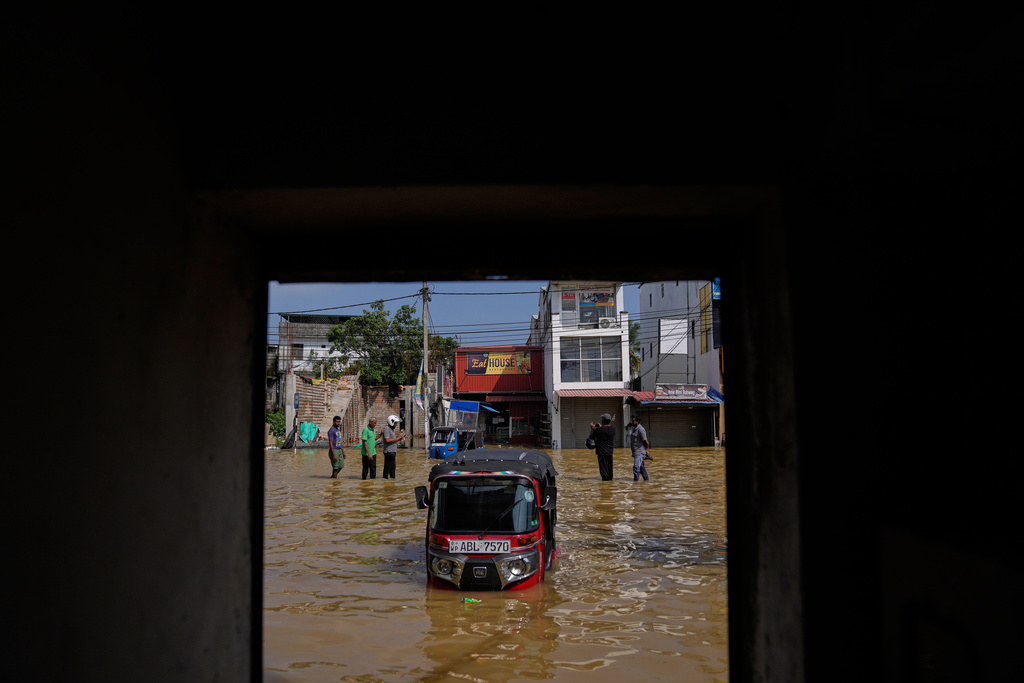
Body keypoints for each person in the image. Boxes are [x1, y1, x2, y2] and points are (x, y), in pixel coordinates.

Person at [588, 414, 616, 481]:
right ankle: (610, 483)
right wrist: (600, 427)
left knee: (603, 469)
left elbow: (591, 436)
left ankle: (605, 484)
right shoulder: (613, 429)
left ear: (603, 420)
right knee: (609, 469)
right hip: (610, 452)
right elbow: (605, 431)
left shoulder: (599, 430)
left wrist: (593, 429)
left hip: (602, 452)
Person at [381, 415, 405, 479]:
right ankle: (385, 481)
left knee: (392, 468)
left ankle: (391, 483)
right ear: (391, 422)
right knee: (387, 468)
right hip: (389, 452)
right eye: (395, 423)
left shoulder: (391, 430)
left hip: (392, 451)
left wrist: (399, 439)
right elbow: (387, 440)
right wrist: (398, 438)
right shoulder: (386, 429)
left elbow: (392, 440)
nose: (396, 425)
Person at [629, 415, 650, 482]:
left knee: (636, 468)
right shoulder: (634, 428)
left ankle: (635, 483)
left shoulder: (641, 429)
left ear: (637, 421)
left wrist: (646, 450)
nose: (631, 422)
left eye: (633, 421)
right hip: (636, 452)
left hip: (640, 452)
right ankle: (646, 481)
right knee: (641, 468)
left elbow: (646, 442)